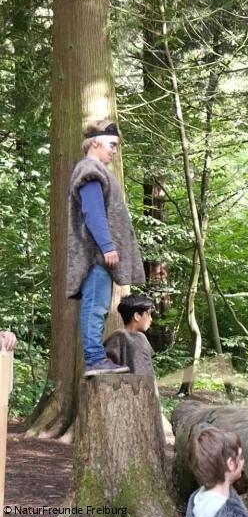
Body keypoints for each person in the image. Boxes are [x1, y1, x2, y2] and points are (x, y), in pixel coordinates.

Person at [67, 120, 146, 377]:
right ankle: (95, 360)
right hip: (95, 256)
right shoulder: (90, 170)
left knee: (99, 306)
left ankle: (97, 359)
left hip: (100, 255)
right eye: (112, 144)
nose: (114, 150)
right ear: (95, 142)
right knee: (96, 307)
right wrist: (107, 246)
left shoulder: (96, 170)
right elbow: (93, 213)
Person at [105, 294, 157, 376]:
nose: (151, 319)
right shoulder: (140, 339)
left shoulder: (114, 338)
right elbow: (144, 374)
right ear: (137, 316)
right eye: (148, 314)